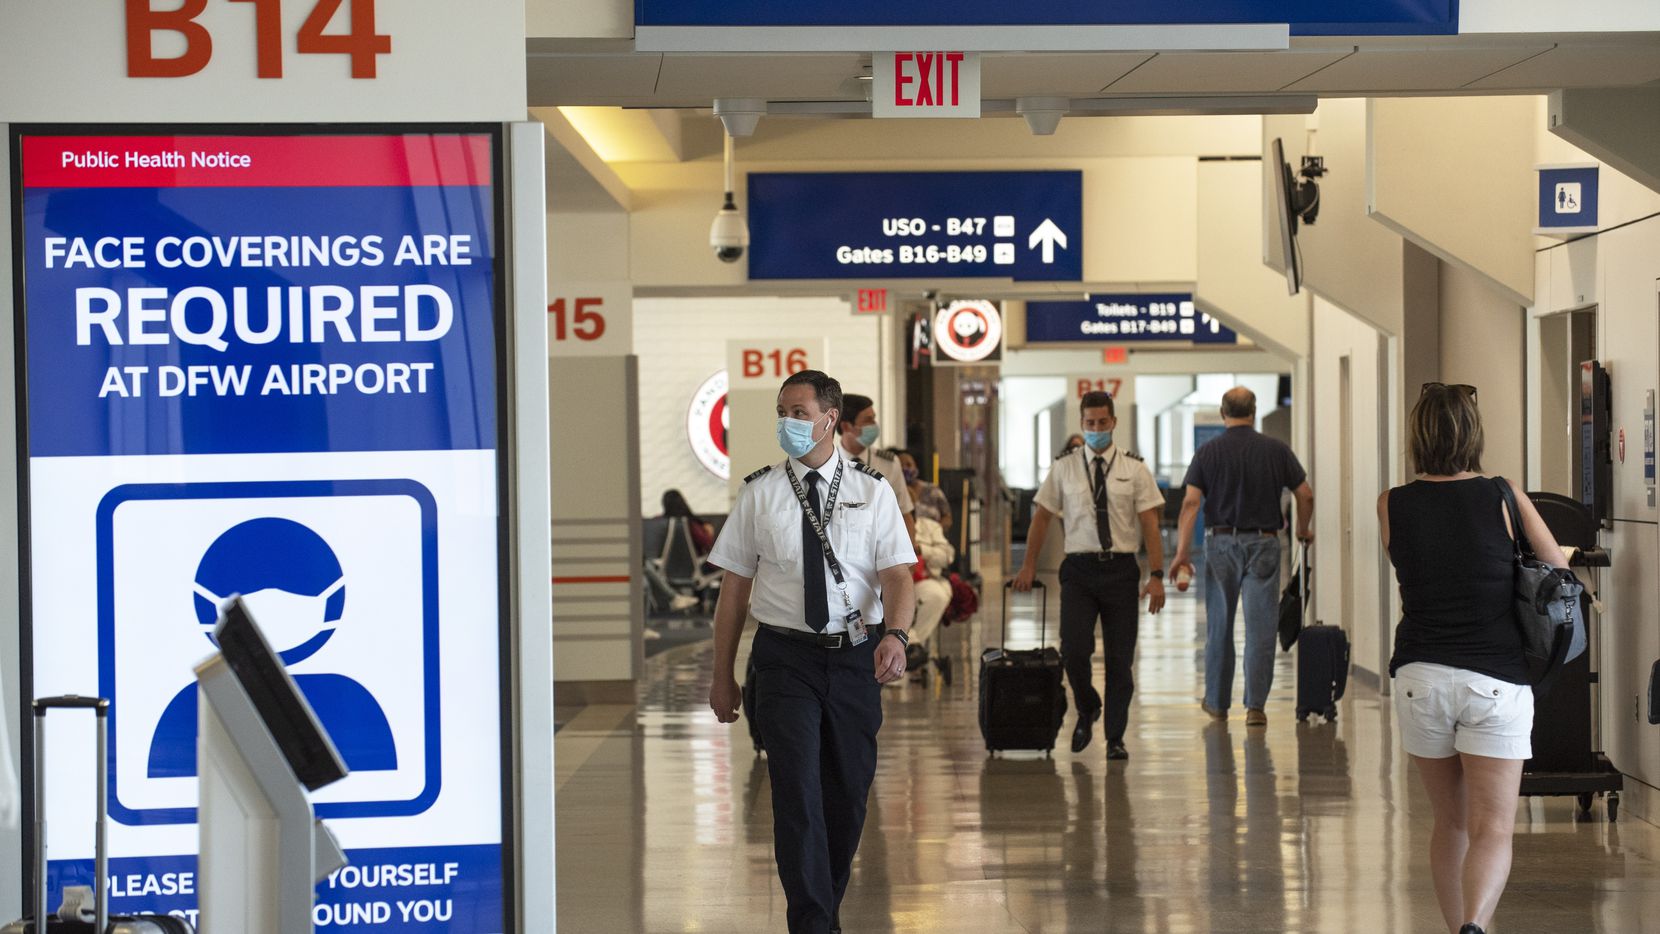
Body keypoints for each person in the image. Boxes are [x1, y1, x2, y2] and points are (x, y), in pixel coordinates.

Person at [706, 369, 917, 934]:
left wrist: (895, 634)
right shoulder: (760, 492)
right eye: (782, 411)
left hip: (854, 658)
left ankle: (823, 909)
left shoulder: (873, 492)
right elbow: (733, 593)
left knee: (846, 797)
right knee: (797, 794)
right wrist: (722, 674)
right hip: (783, 660)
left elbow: (898, 575)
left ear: (830, 418)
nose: (788, 422)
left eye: (799, 412)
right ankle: (814, 923)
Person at [1380, 383, 1564, 934]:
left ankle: (1454, 925)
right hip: (1495, 680)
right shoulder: (1504, 494)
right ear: (1473, 432)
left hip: (1420, 677)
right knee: (1492, 828)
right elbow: (1557, 569)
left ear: (1418, 436)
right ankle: (1476, 927)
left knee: (1450, 824)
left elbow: (1416, 558)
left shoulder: (1393, 501)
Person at [1012, 390, 1166, 760]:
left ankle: (1115, 737)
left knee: (1119, 661)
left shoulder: (1134, 469)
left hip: (1121, 571)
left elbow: (1150, 524)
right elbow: (1042, 517)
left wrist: (1157, 575)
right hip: (1079, 571)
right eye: (1089, 423)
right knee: (1074, 651)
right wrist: (1029, 564)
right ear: (1082, 423)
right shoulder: (1063, 467)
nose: (1096, 429)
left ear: (1113, 422)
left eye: (1102, 423)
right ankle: (1087, 706)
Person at [1170, 387, 1313, 728]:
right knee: (1260, 630)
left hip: (1221, 544)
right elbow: (1304, 495)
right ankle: (1255, 708)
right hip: (1263, 544)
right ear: (1253, 411)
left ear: (1223, 412)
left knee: (1219, 627)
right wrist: (1302, 530)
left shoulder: (1208, 452)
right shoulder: (1276, 450)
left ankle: (1218, 704)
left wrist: (1181, 553)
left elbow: (1191, 504)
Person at [837, 393, 917, 547]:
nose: (874, 424)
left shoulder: (888, 463)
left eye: (873, 418)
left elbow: (904, 512)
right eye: (868, 420)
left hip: (881, 550)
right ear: (846, 426)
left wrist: (908, 556)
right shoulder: (828, 463)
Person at [896, 449, 952, 531]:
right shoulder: (893, 493)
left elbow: (947, 518)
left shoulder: (933, 490)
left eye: (908, 465)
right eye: (901, 466)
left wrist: (935, 530)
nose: (905, 469)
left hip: (932, 538)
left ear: (915, 467)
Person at [662, 488, 715, 557]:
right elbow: (707, 542)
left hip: (665, 565)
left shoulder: (661, 523)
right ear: (682, 502)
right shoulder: (690, 524)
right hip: (694, 563)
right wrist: (709, 532)